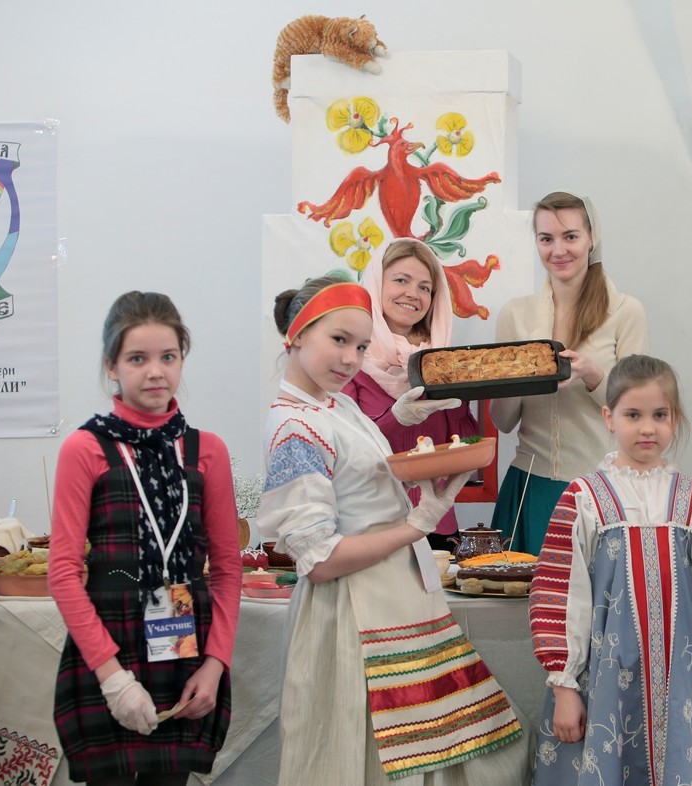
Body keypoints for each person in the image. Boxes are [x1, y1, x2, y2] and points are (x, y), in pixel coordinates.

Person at [258, 275, 527, 785]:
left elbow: (353, 473)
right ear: (296, 335)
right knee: (385, 756)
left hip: (395, 592)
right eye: (339, 340)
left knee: (441, 743)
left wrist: (395, 419)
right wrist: (416, 525)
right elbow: (320, 561)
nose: (351, 359)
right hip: (355, 609)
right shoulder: (294, 428)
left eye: (361, 346)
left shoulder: (334, 404)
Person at [49, 291, 242, 785]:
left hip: (184, 646)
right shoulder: (85, 447)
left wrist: (215, 664)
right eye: (137, 358)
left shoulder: (207, 450)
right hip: (108, 644)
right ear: (111, 365)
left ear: (182, 360)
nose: (155, 372)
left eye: (168, 357)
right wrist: (112, 677)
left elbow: (227, 568)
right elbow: (63, 573)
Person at [528, 354, 692, 785]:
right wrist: (564, 685)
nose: (648, 428)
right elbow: (559, 595)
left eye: (659, 415)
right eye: (633, 415)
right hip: (604, 689)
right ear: (608, 418)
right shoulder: (583, 498)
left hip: (681, 689)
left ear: (675, 419)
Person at [489, 191, 649, 554]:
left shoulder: (626, 312)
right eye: (546, 239)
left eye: (570, 236)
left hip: (602, 488)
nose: (558, 250)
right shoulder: (515, 315)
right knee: (523, 591)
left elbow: (639, 413)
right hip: (530, 487)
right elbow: (503, 421)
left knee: (601, 590)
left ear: (592, 238)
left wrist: (593, 375)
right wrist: (519, 373)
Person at [339, 238, 476, 552]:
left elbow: (463, 447)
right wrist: (396, 418)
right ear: (376, 284)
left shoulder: (440, 359)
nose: (413, 293)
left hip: (437, 525)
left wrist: (465, 390)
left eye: (425, 287)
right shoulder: (348, 359)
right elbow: (345, 450)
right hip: (371, 527)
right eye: (401, 280)